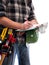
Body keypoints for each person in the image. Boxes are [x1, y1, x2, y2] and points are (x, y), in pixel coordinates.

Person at [0, 0, 38, 65]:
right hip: (8, 41)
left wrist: (32, 24)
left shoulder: (28, 1)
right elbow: (1, 18)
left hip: (24, 41)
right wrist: (21, 26)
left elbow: (33, 19)